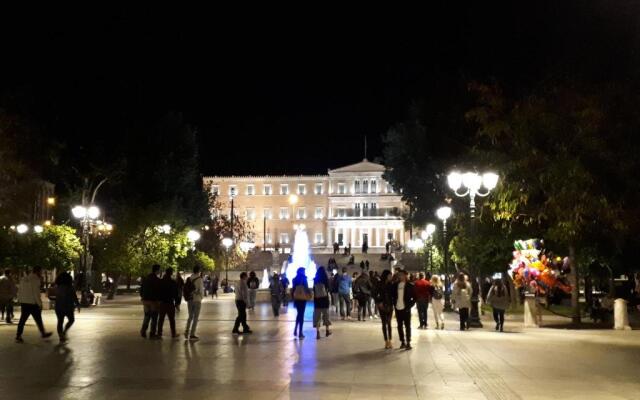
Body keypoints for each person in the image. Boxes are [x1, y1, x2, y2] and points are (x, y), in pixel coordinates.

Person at [16, 267, 52, 342]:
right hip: (32, 303)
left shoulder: (24, 278)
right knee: (38, 319)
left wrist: (20, 300)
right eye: (40, 272)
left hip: (25, 302)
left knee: (22, 320)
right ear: (37, 271)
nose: (41, 273)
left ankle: (18, 335)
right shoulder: (35, 280)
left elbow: (19, 291)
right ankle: (43, 333)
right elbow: (36, 293)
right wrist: (40, 304)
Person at [391, 269, 415, 350]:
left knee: (407, 326)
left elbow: (414, 298)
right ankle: (402, 342)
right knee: (399, 326)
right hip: (398, 308)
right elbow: (393, 296)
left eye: (401, 275)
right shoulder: (395, 285)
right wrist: (394, 304)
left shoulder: (410, 286)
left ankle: (408, 342)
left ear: (405, 275)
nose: (400, 276)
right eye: (399, 275)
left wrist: (409, 306)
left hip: (406, 308)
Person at [53, 271, 80, 342]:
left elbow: (55, 296)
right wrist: (77, 305)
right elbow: (74, 297)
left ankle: (61, 336)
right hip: (68, 307)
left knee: (60, 321)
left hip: (58, 307)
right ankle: (64, 332)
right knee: (71, 320)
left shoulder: (57, 287)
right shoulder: (70, 287)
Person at [140, 264, 162, 339]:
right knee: (154, 317)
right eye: (159, 270)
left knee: (147, 316)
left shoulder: (146, 278)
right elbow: (158, 291)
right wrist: (158, 301)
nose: (160, 271)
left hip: (145, 300)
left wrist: (143, 297)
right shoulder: (157, 280)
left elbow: (141, 289)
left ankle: (143, 330)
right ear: (157, 270)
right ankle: (152, 334)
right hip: (153, 301)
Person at [375, 269, 394, 349]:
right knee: (384, 323)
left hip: (390, 305)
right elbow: (374, 294)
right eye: (390, 275)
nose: (391, 276)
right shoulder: (379, 284)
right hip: (382, 305)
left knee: (389, 323)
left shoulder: (391, 284)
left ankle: (390, 340)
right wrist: (379, 302)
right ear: (386, 276)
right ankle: (386, 340)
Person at [158, 267, 179, 338]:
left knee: (161, 319)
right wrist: (176, 303)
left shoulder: (161, 282)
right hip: (170, 302)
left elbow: (157, 292)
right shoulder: (173, 282)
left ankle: (159, 333)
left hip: (162, 303)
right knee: (172, 319)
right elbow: (176, 294)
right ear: (171, 273)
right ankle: (173, 333)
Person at [184, 265, 204, 340]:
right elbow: (201, 290)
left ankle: (186, 332)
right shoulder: (199, 279)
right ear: (199, 271)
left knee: (190, 316)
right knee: (195, 318)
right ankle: (192, 334)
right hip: (197, 300)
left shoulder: (189, 278)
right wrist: (201, 297)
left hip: (189, 299)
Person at [313, 266, 332, 339]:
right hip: (325, 300)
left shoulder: (315, 279)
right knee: (326, 316)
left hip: (317, 300)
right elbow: (328, 289)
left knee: (317, 317)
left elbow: (314, 290)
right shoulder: (325, 279)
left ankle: (317, 333)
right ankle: (327, 331)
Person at [291, 268, 309, 338]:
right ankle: (300, 332)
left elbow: (293, 289)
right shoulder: (304, 279)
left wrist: (293, 297)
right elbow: (307, 288)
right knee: (301, 315)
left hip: (297, 299)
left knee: (299, 314)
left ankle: (295, 329)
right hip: (303, 299)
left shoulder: (294, 279)